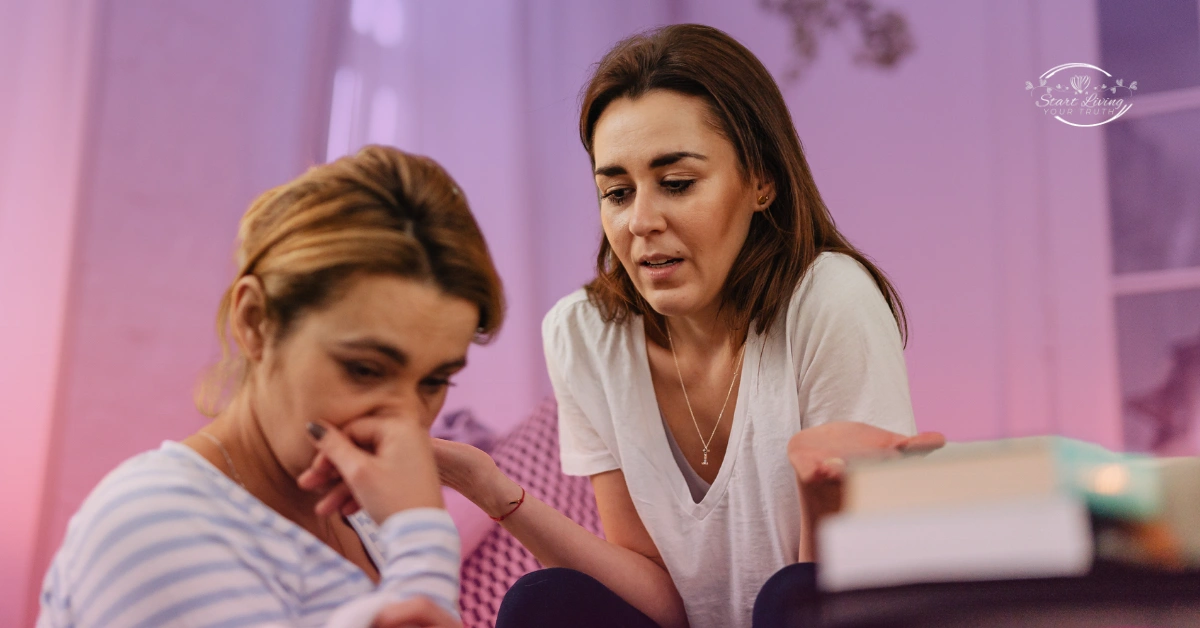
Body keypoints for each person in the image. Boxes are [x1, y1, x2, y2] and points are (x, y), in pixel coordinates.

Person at [427, 24, 945, 628]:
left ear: (761, 182)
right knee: (541, 601)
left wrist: (820, 494)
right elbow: (658, 602)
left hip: (830, 610)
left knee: (789, 594)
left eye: (676, 184)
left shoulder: (830, 299)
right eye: (617, 192)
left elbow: (851, 595)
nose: (641, 221)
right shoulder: (582, 333)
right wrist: (493, 492)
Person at [37, 145, 505, 628]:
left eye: (434, 381)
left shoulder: (361, 518)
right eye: (364, 369)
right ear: (255, 321)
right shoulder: (149, 525)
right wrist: (424, 543)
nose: (405, 423)